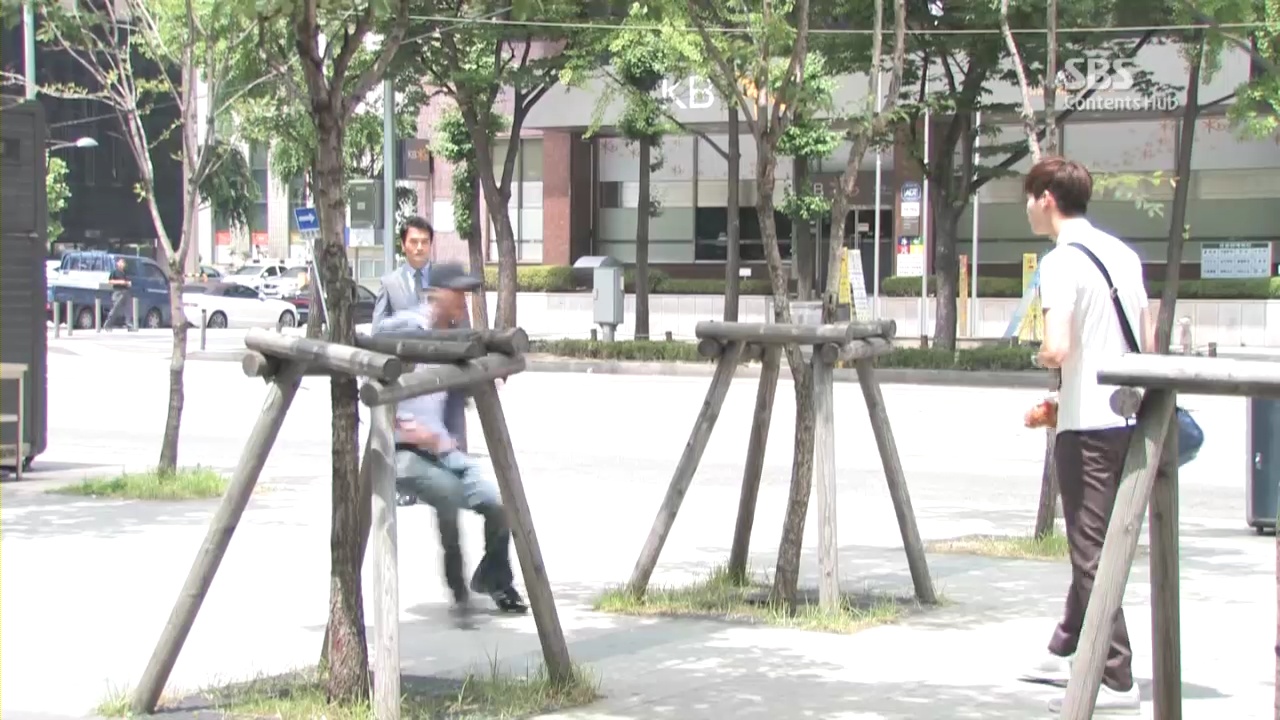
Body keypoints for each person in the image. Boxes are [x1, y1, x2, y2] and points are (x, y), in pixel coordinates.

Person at [1018, 156, 1152, 714]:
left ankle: (1114, 677)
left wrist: (1040, 361)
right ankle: (1064, 649)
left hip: (1088, 427)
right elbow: (1146, 339)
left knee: (1091, 549)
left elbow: (1058, 346)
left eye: (1029, 198)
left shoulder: (1060, 261)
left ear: (1047, 199)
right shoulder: (1123, 254)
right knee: (1094, 541)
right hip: (1131, 418)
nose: (1027, 208)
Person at [387, 262, 528, 623]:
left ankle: (494, 577)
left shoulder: (454, 337)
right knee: (448, 496)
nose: (463, 303)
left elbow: (465, 381)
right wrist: (406, 429)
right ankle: (458, 590)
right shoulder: (406, 329)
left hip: (443, 448)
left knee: (499, 504)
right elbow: (373, 378)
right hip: (403, 450)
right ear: (437, 294)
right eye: (458, 294)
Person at [374, 216, 471, 453]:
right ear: (403, 244)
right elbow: (378, 331)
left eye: (425, 242)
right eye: (414, 242)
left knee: (452, 447)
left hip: (447, 380)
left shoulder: (446, 280)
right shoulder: (390, 283)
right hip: (407, 383)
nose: (419, 248)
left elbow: (464, 327)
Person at [103, 256, 133, 330]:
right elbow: (110, 281)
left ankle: (128, 323)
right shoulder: (114, 272)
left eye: (124, 262)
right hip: (118, 292)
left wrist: (127, 283)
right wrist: (120, 282)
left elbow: (126, 281)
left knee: (128, 308)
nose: (123, 264)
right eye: (121, 262)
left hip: (125, 292)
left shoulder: (124, 273)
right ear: (117, 263)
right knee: (115, 309)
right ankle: (108, 324)